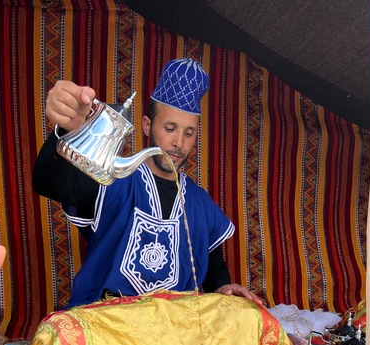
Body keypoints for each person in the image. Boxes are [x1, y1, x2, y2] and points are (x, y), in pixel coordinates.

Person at [34, 58, 262, 308]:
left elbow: (213, 268)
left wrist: (225, 288)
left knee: (246, 316)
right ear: (147, 125)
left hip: (173, 327)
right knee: (58, 334)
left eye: (189, 133)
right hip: (108, 323)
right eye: (170, 128)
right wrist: (68, 129)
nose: (179, 142)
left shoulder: (199, 202)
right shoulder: (114, 179)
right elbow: (48, 183)